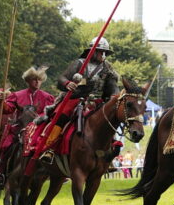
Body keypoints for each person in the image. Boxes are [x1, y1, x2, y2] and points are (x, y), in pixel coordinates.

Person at [23, 37, 120, 176]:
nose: (103, 55)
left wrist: (114, 96)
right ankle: (49, 149)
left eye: (105, 53)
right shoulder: (79, 63)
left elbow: (113, 87)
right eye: (100, 52)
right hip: (75, 99)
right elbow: (61, 79)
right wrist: (68, 83)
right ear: (92, 51)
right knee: (62, 116)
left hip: (97, 103)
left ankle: (107, 157)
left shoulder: (108, 68)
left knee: (108, 121)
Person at [0, 66, 55, 183]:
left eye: (39, 80)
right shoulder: (17, 95)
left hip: (38, 129)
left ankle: (53, 171)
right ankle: (0, 172)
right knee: (6, 145)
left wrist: (41, 117)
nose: (37, 82)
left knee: (50, 144)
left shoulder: (47, 97)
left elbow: (49, 112)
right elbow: (8, 109)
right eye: (34, 79)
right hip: (19, 129)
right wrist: (2, 101)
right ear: (28, 81)